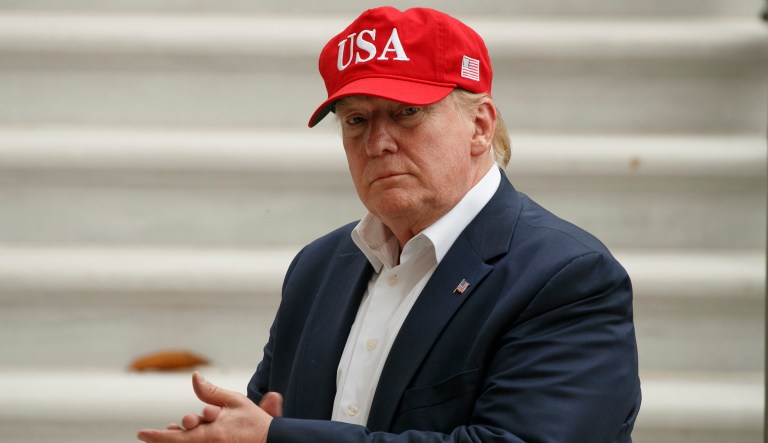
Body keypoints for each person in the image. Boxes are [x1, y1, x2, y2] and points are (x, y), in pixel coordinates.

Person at [138, 6, 641, 443]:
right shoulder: (318, 267)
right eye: (356, 120)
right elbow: (269, 422)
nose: (378, 142)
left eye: (407, 113)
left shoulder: (566, 276)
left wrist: (281, 439)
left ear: (480, 125)